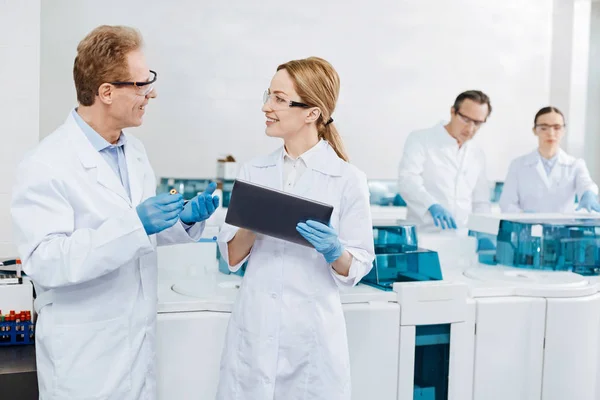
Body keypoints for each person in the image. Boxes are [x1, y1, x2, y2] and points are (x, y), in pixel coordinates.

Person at [11, 25, 219, 399]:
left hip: (137, 353)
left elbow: (141, 237)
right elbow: (45, 261)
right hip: (85, 360)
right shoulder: (46, 163)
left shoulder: (134, 152)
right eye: (140, 84)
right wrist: (135, 224)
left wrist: (183, 220)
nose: (150, 93)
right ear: (106, 92)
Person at [216, 57, 375, 400]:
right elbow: (231, 256)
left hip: (310, 338)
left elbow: (358, 265)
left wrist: (335, 251)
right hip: (254, 330)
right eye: (268, 95)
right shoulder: (253, 171)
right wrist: (252, 222)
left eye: (278, 99)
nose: (266, 107)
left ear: (312, 113)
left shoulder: (347, 179)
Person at [397, 90, 492, 232]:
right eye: (466, 119)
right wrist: (431, 205)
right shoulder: (421, 139)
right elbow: (408, 181)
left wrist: (484, 232)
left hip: (464, 238)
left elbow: (481, 200)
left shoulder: (477, 153)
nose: (470, 128)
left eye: (477, 123)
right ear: (453, 112)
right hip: (425, 234)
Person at [499, 106, 600, 213]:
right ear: (534, 130)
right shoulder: (518, 165)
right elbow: (507, 203)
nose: (551, 133)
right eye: (544, 128)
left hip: (563, 228)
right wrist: (524, 217)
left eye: (556, 127)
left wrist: (588, 194)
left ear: (564, 130)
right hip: (527, 228)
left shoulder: (575, 165)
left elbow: (586, 185)